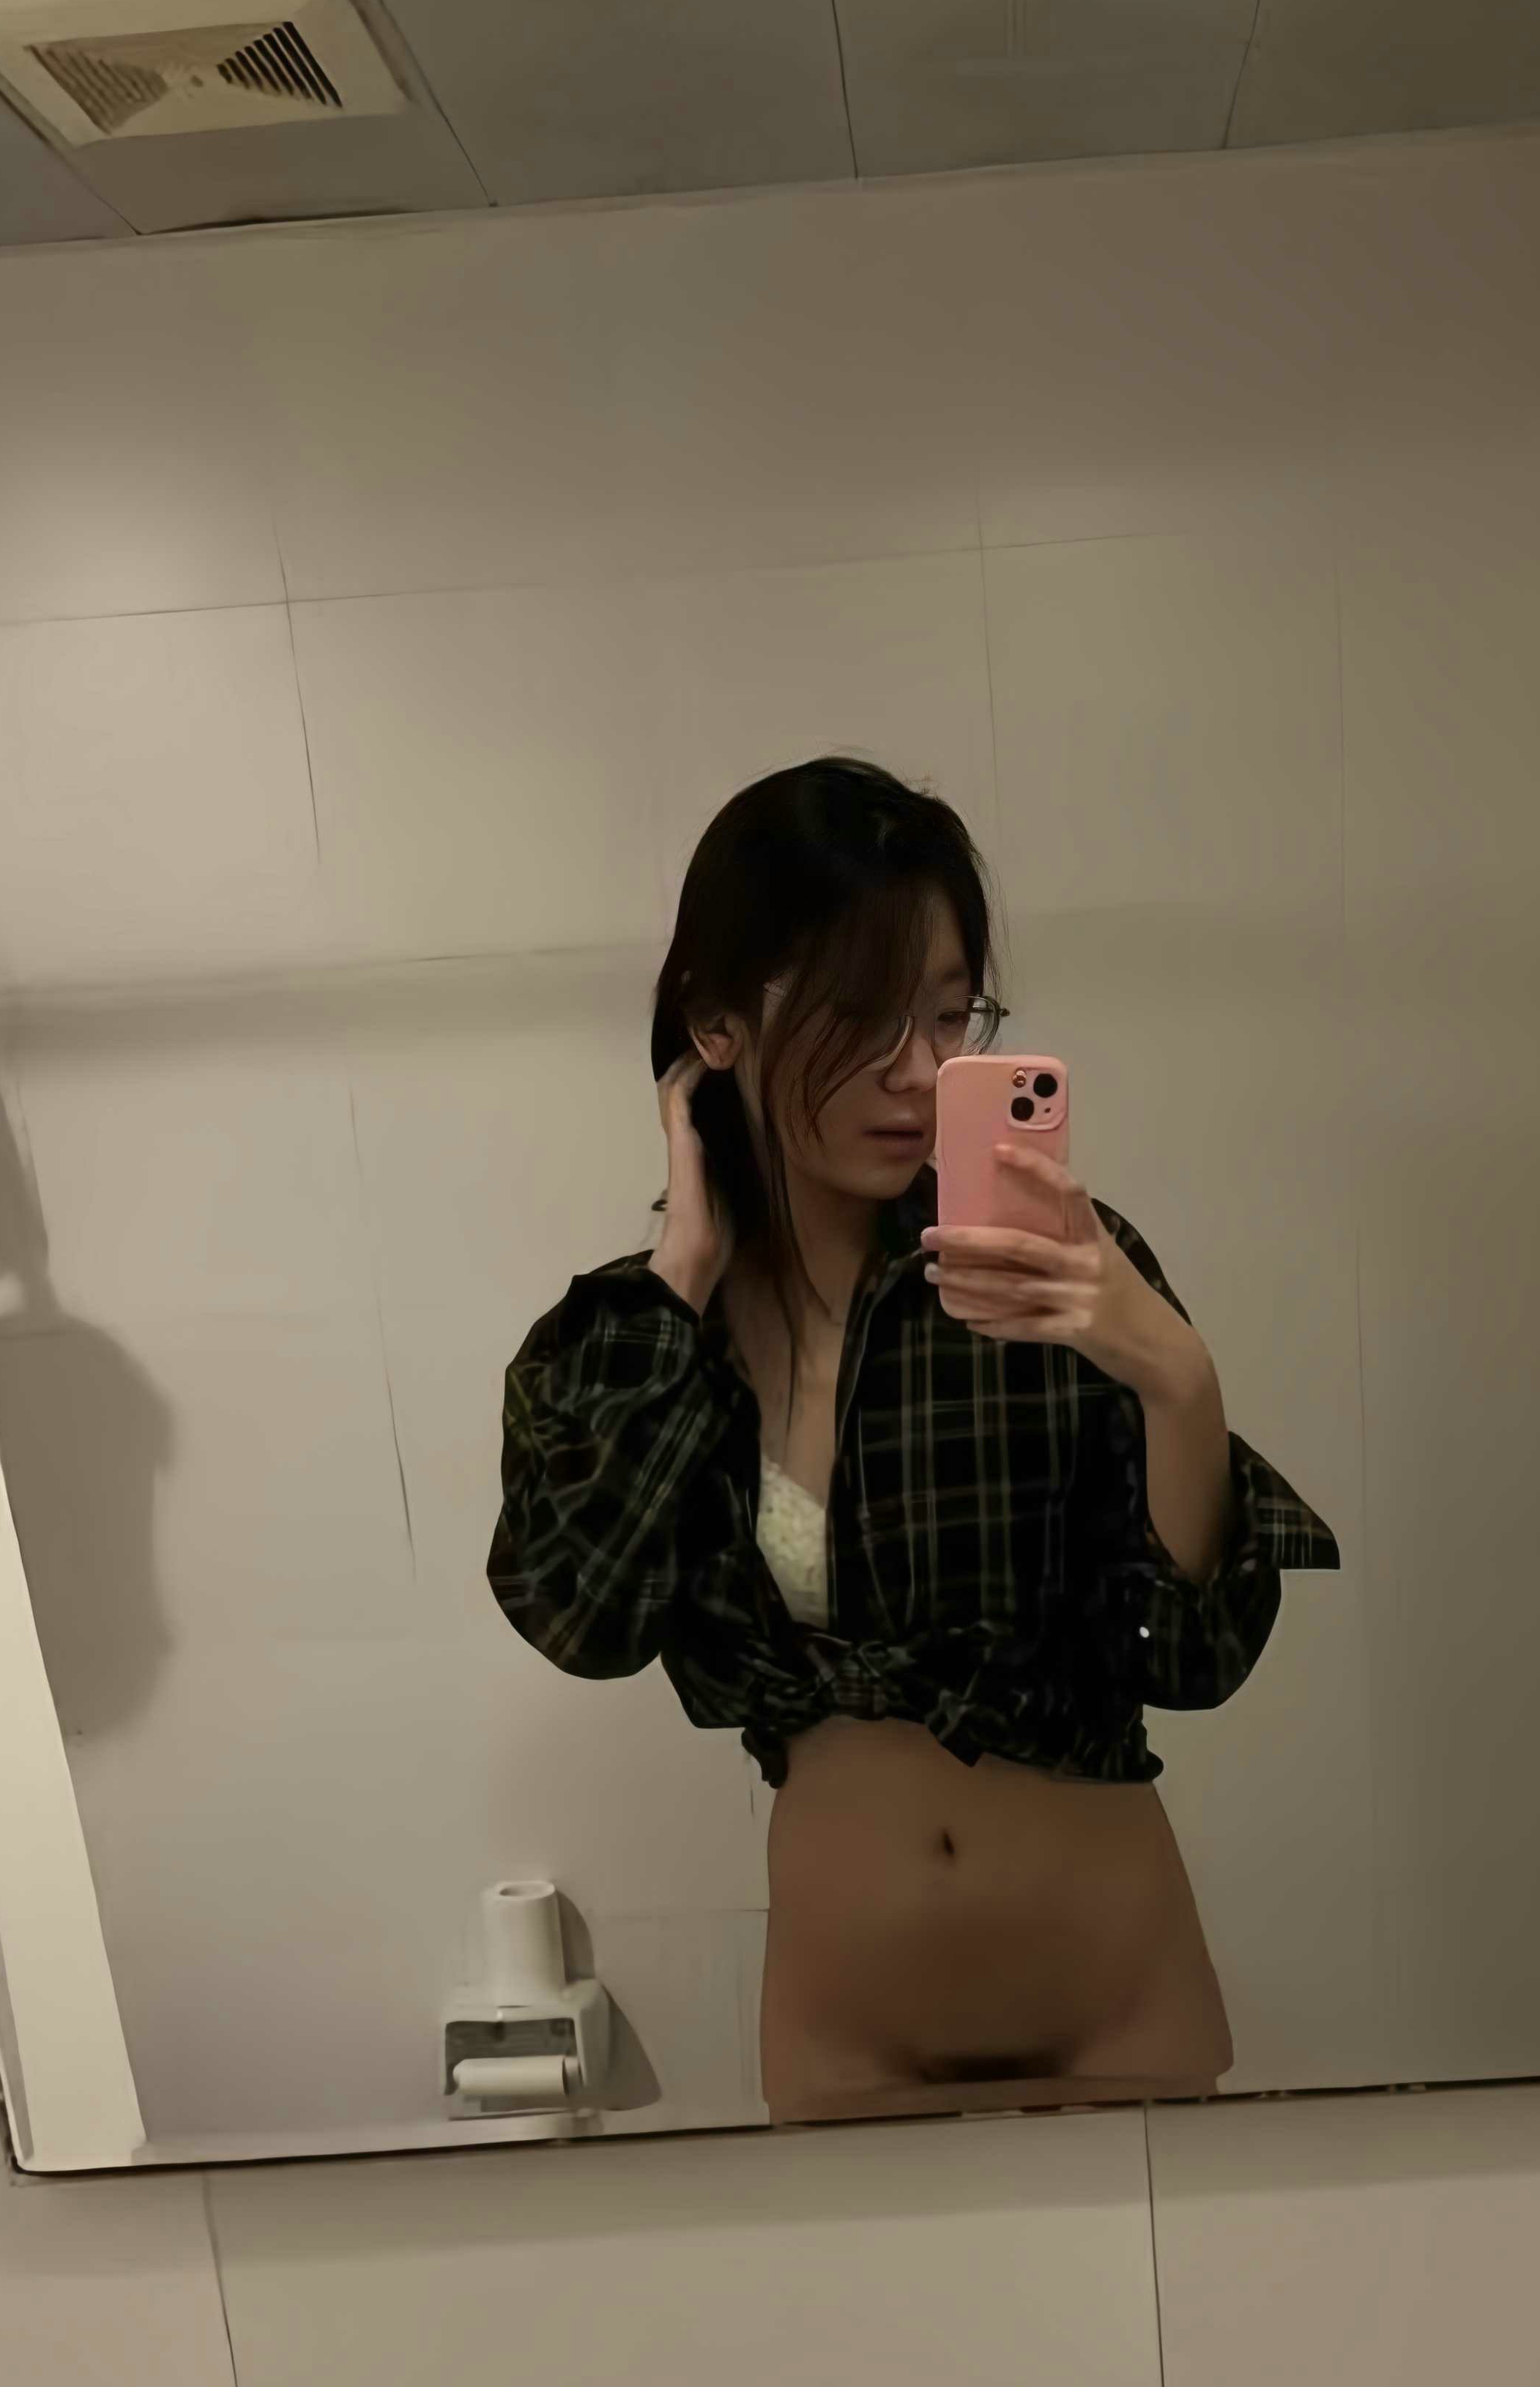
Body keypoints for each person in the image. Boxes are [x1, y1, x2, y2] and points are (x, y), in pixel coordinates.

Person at [488, 757, 1338, 2117]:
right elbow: (583, 1620)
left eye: (948, 1016)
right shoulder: (634, 1343)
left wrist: (1178, 1380)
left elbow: (1191, 1660)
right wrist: (686, 1267)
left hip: (1118, 1993)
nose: (922, 1071)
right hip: (848, 2025)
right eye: (862, 1016)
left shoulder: (1054, 1277)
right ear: (717, 1024)